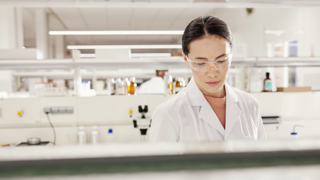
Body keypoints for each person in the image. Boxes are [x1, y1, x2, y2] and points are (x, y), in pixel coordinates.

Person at [149, 16, 266, 142]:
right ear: (186, 59)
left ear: (231, 54)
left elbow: (264, 160)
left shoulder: (250, 105)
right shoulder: (169, 114)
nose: (212, 73)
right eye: (201, 63)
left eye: (221, 61)